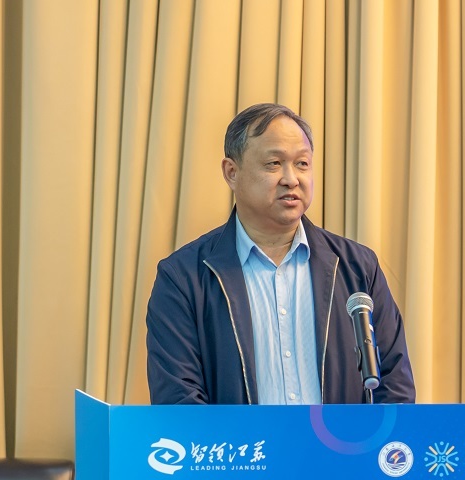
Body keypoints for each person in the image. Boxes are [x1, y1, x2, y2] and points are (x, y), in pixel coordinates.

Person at [146, 103, 415, 405]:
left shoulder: (357, 268)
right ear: (232, 172)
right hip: (239, 440)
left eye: (302, 164)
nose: (291, 179)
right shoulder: (183, 278)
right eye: (274, 164)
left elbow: (395, 387)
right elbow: (179, 400)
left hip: (342, 440)